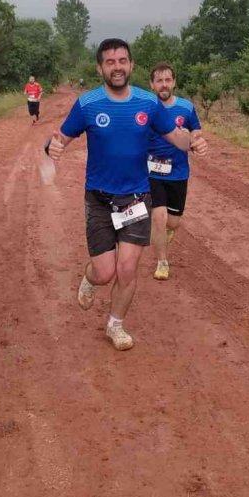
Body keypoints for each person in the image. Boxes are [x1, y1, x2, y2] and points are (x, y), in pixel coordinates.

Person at [47, 39, 207, 350]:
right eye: (110, 61)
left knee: (128, 268)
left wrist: (195, 142)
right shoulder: (88, 104)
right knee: (106, 272)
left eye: (122, 60)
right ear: (100, 67)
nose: (117, 66)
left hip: (136, 199)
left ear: (131, 65)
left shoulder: (149, 104)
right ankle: (90, 278)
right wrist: (50, 147)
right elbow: (60, 139)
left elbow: (178, 138)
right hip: (99, 199)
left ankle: (115, 325)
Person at [147, 62, 203, 281]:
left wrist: (195, 139)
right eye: (159, 80)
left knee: (173, 222)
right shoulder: (146, 108)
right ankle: (162, 261)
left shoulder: (186, 107)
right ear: (152, 84)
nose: (164, 84)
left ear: (174, 82)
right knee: (158, 217)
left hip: (178, 172)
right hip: (151, 172)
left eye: (167, 80)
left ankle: (166, 232)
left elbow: (196, 131)